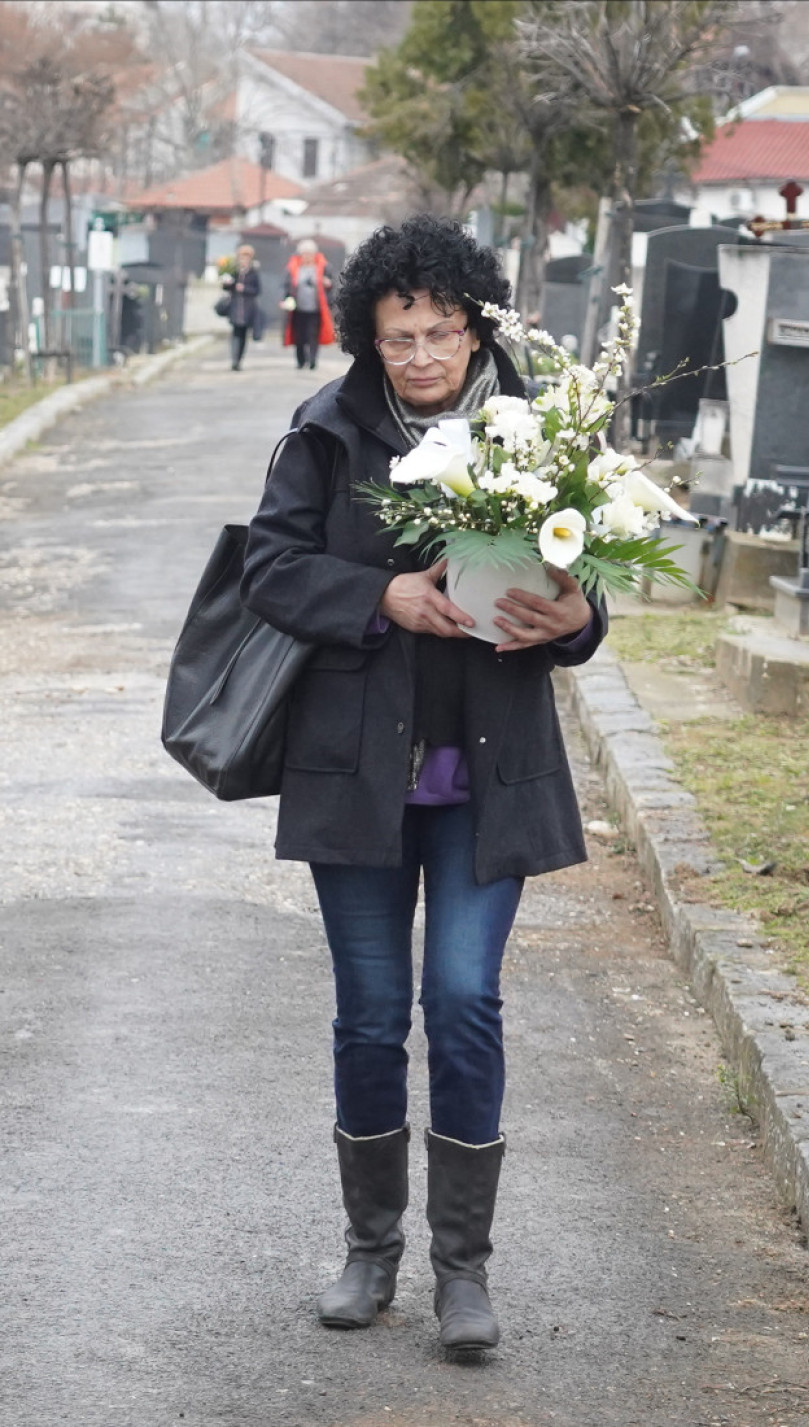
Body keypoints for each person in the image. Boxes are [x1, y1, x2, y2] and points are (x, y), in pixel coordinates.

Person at [241, 214, 607, 1355]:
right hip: (357, 772)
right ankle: (370, 1249)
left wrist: (583, 612)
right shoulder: (328, 428)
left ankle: (464, 1269)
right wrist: (379, 596)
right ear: (369, 331)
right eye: (398, 334)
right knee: (365, 1013)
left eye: (441, 331)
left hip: (490, 771)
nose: (419, 356)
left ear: (473, 325)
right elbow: (268, 565)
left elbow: (582, 572)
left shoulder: (537, 431)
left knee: (460, 998)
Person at [282, 237, 335, 370]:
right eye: (305, 253)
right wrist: (285, 299)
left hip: (316, 308)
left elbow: (332, 284)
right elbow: (286, 286)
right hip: (298, 308)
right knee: (299, 336)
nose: (307, 256)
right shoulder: (293, 268)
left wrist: (327, 284)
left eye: (310, 253)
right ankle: (301, 360)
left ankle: (312, 360)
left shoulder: (323, 267)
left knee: (313, 335)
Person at [221, 245, 261, 371]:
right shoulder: (235, 272)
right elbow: (226, 287)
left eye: (246, 258)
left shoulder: (253, 274)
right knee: (235, 333)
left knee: (243, 334)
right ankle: (234, 359)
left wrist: (244, 289)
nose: (243, 261)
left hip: (247, 307)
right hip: (235, 306)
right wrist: (228, 283)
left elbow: (257, 290)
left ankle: (238, 359)